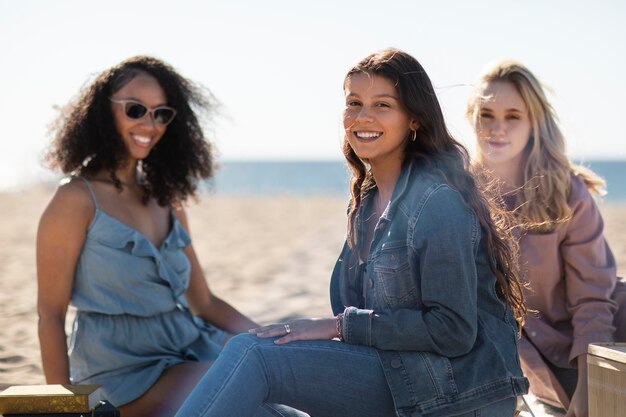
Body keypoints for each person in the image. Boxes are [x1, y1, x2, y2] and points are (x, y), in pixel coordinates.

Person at [174, 48, 529, 417]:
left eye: (382, 105)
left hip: (455, 395)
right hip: (399, 378)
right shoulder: (366, 202)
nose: (363, 117)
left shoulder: (436, 202)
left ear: (413, 120)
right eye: (354, 103)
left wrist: (338, 327)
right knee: (243, 385)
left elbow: (452, 330)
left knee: (253, 356)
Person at [36, 56, 302, 417]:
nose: (150, 123)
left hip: (187, 348)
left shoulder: (166, 197)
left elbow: (204, 303)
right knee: (244, 386)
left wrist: (276, 338)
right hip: (123, 373)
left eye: (161, 114)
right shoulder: (76, 199)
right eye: (135, 109)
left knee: (281, 380)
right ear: (102, 111)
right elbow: (50, 313)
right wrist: (63, 406)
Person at [466, 59, 626, 417]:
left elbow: (593, 299)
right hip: (532, 370)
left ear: (533, 123)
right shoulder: (458, 195)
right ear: (471, 117)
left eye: (513, 116)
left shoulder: (567, 193)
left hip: (599, 349)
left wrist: (590, 389)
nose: (497, 128)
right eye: (486, 114)